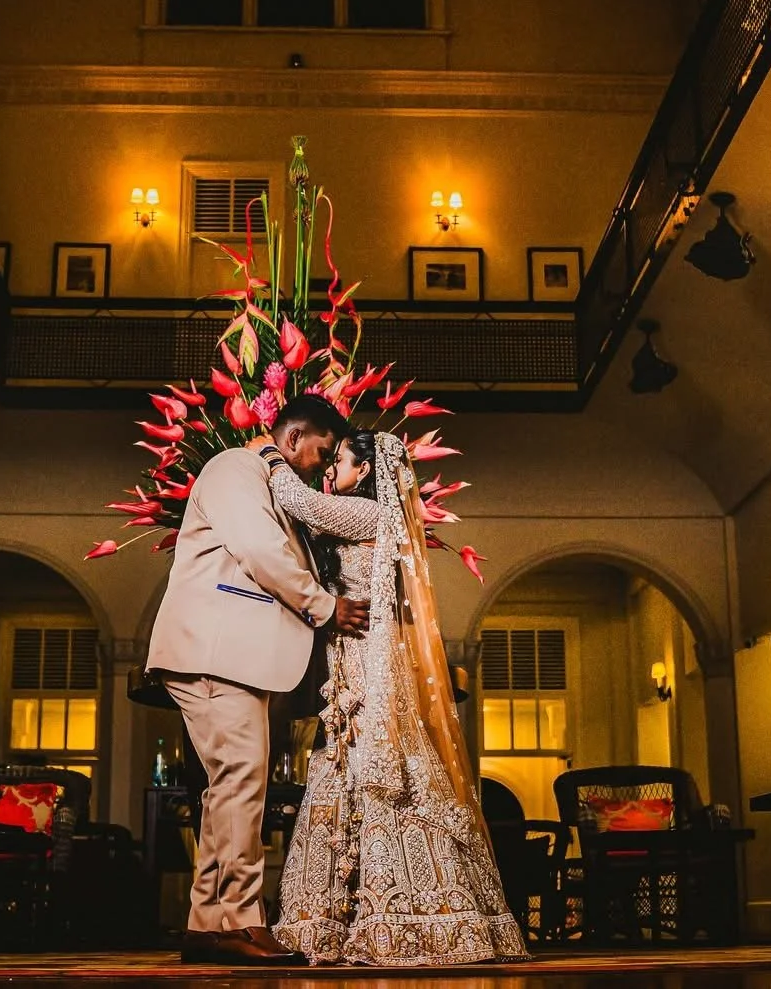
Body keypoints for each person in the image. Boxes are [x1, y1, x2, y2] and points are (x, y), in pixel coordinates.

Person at [265, 430, 527, 965]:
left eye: (338, 460)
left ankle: (405, 915)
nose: (330, 468)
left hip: (368, 664)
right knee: (344, 772)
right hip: (345, 661)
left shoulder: (371, 517)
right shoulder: (358, 521)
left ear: (365, 471)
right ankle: (340, 919)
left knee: (376, 769)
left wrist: (267, 454)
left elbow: (295, 499)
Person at [144, 394, 370, 966]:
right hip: (216, 651)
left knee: (229, 788)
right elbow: (258, 549)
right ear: (293, 437)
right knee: (243, 781)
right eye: (322, 451)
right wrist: (325, 606)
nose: (322, 466)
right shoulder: (233, 469)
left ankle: (205, 924)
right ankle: (243, 922)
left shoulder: (269, 483)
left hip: (231, 655)